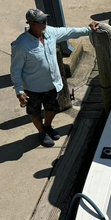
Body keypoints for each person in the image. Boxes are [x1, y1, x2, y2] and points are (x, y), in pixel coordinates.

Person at [11, 9, 99, 147]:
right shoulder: (21, 45)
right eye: (41, 22)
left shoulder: (50, 32)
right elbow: (15, 69)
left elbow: (69, 32)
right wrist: (19, 91)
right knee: (34, 112)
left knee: (52, 108)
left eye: (45, 20)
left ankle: (48, 126)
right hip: (33, 88)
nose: (45, 23)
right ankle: (41, 132)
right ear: (31, 24)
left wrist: (88, 30)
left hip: (52, 84)